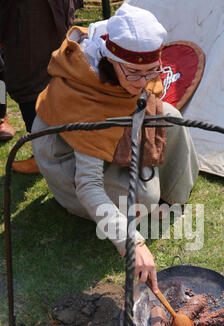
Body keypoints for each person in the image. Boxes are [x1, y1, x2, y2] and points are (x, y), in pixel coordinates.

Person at [32, 3, 199, 292]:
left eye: (152, 72)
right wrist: (131, 241)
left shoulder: (131, 72)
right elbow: (88, 185)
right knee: (144, 198)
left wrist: (139, 79)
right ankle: (82, 209)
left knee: (170, 116)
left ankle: (174, 198)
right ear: (110, 60)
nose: (145, 82)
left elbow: (141, 89)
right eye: (134, 73)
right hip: (66, 157)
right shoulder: (86, 93)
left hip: (109, 126)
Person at [0, 0, 83, 172]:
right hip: (36, 14)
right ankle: (52, 151)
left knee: (31, 78)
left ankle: (45, 155)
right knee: (46, 73)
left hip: (31, 14)